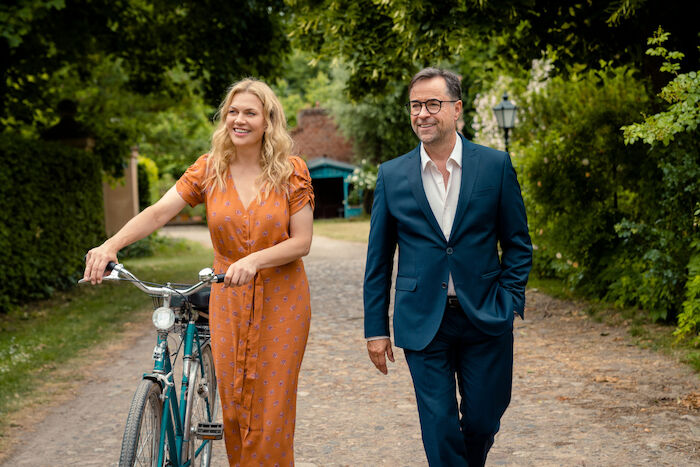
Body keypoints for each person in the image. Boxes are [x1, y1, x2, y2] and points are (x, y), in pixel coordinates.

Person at [84, 78, 315, 466]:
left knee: (271, 412)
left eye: (250, 113)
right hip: (228, 298)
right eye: (233, 112)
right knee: (236, 408)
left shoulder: (291, 171)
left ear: (268, 121)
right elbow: (159, 211)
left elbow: (302, 241)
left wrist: (255, 260)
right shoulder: (209, 169)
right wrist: (111, 245)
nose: (239, 120)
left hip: (282, 301)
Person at [363, 67, 532, 467]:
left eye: (433, 104)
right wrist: (375, 329)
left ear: (457, 109)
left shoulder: (495, 166)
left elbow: (518, 244)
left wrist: (508, 299)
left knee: (482, 419)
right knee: (438, 425)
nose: (422, 113)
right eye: (415, 105)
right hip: (421, 320)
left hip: (485, 315)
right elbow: (378, 259)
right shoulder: (392, 175)